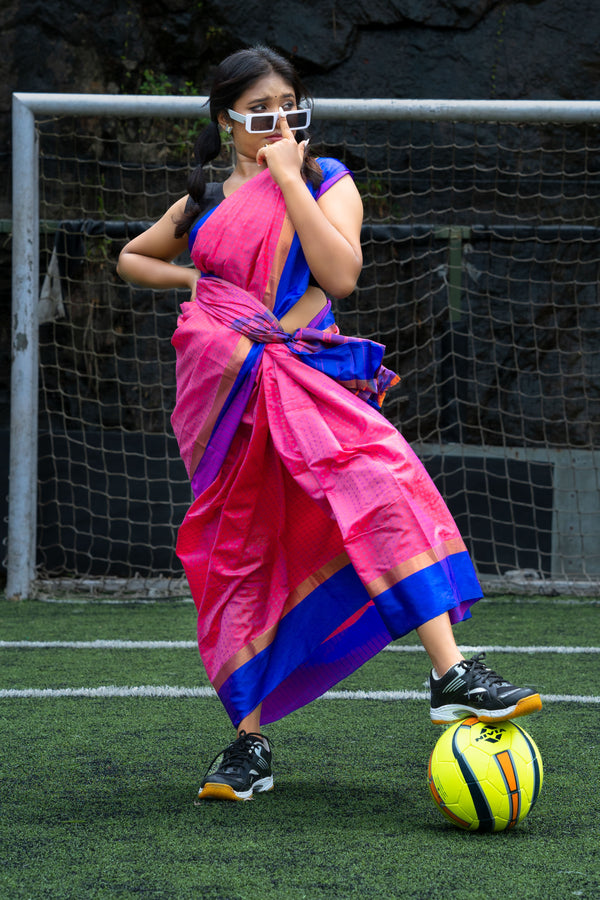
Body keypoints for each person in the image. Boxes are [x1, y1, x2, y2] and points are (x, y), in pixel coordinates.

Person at [117, 45, 542, 803]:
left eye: (290, 105)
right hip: (224, 400)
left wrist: (287, 178)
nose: (279, 120)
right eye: (261, 109)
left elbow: (340, 274)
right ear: (227, 118)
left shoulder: (324, 179)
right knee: (240, 551)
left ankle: (449, 673)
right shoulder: (204, 197)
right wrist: (201, 284)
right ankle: (248, 743)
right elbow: (131, 260)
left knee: (380, 482)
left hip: (309, 380)